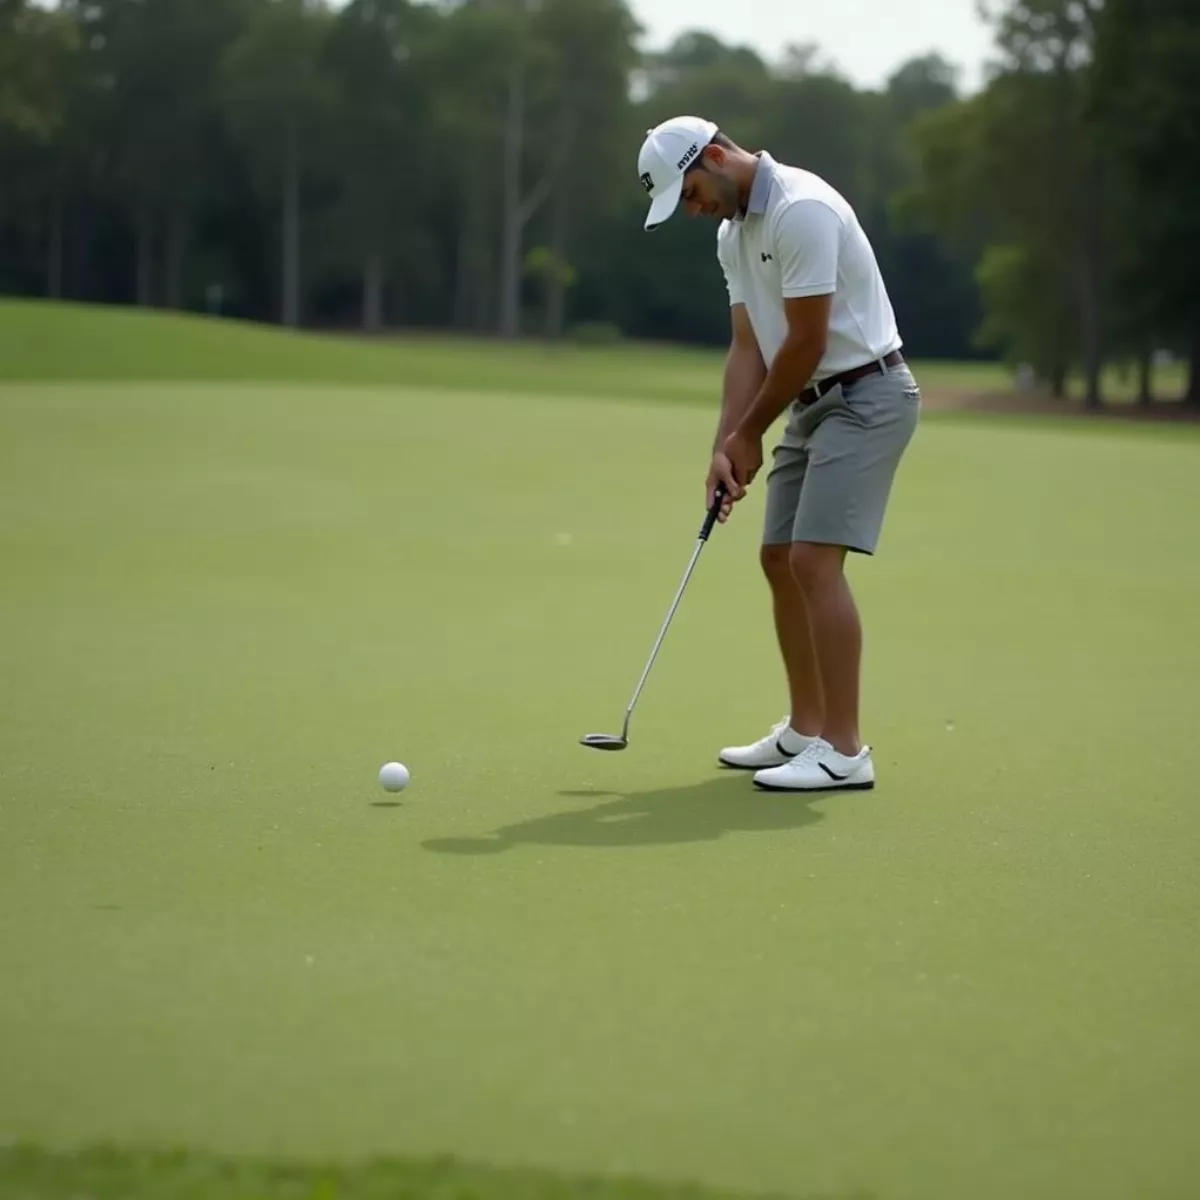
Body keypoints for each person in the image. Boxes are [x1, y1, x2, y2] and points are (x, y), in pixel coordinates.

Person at [636, 115, 920, 793]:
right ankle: (806, 728)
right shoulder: (734, 236)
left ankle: (846, 751)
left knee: (814, 561)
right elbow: (748, 348)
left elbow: (807, 342)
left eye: (692, 193)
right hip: (810, 402)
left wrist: (752, 431)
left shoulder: (802, 209)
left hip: (867, 393)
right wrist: (724, 445)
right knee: (777, 559)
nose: (694, 211)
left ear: (712, 156)